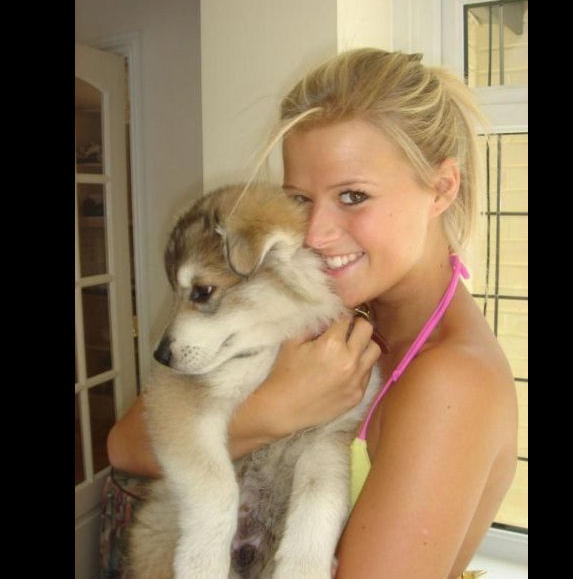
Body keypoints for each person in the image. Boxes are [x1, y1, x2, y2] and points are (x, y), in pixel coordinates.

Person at [107, 48, 518, 578]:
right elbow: (126, 445)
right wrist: (276, 407)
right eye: (299, 199)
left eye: (353, 196)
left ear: (441, 189)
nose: (316, 235)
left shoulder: (451, 382)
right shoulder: (336, 310)